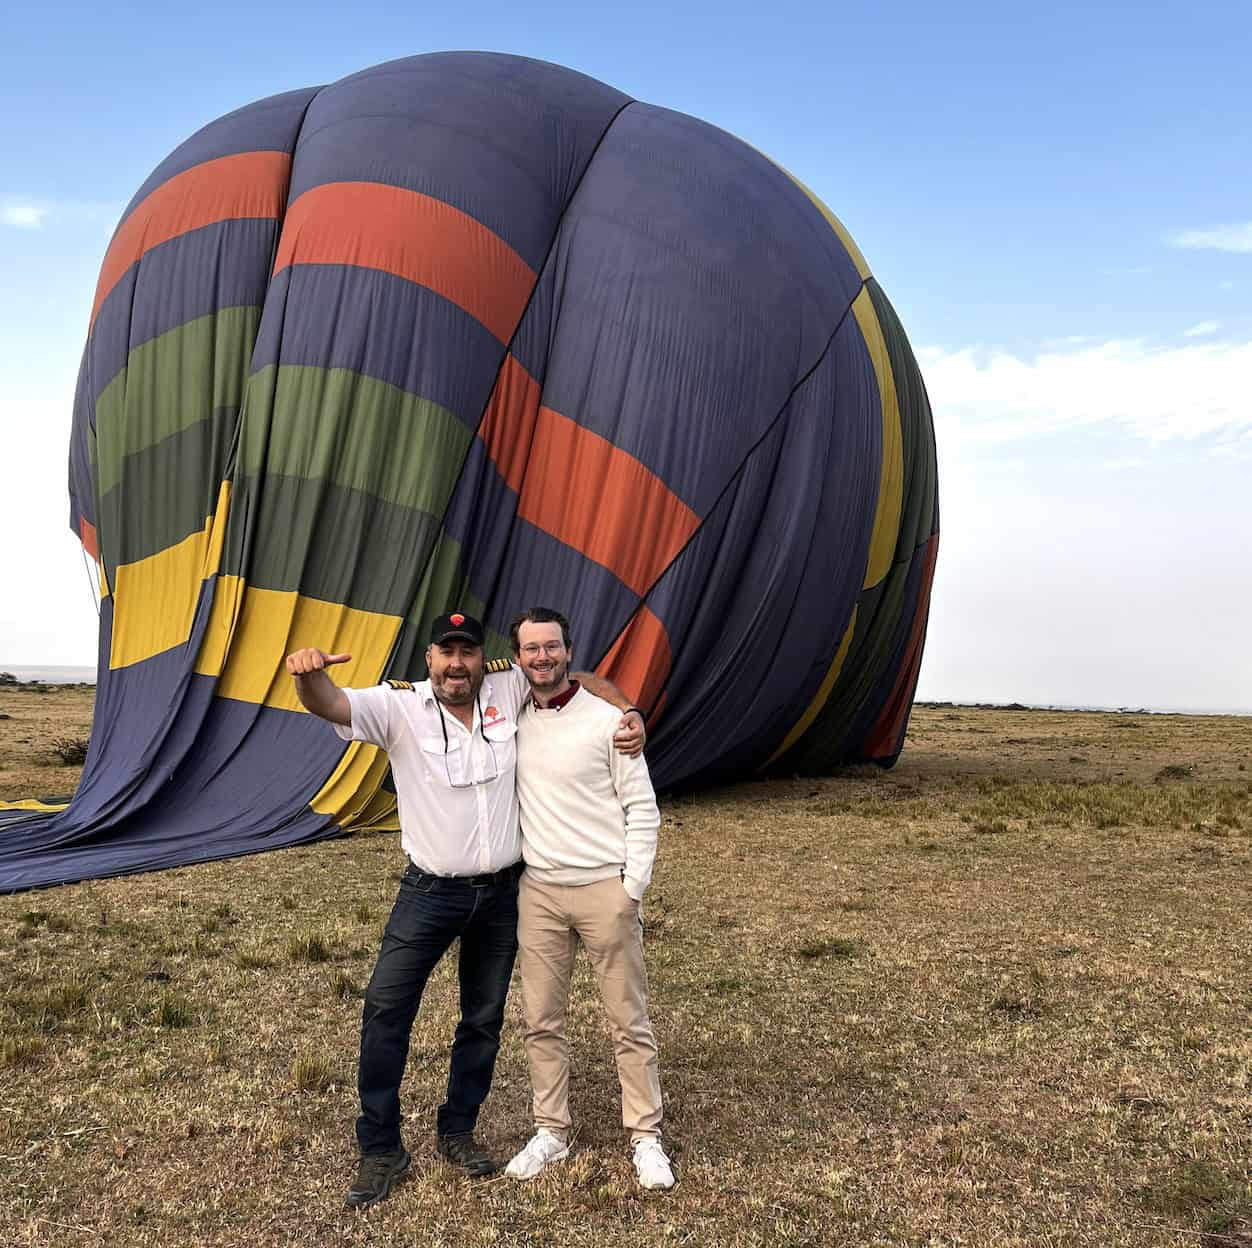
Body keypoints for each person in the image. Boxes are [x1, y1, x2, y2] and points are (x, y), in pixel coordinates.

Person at [285, 611, 645, 1209]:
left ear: (484, 658)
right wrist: (306, 676)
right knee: (386, 1008)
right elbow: (332, 705)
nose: (458, 664)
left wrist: (629, 713)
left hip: (504, 893)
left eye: (468, 652)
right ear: (429, 658)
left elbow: (582, 680)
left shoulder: (507, 687)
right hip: (430, 891)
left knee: (482, 1017)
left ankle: (458, 1130)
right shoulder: (399, 706)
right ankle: (380, 1146)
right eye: (446, 652)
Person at [503, 607, 675, 1191]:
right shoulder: (512, 717)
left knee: (628, 1020)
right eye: (531, 649)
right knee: (540, 1020)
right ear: (518, 657)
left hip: (605, 889)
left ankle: (645, 1137)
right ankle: (551, 1129)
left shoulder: (608, 721)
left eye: (551, 647)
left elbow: (642, 808)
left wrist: (631, 890)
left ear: (568, 651)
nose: (542, 657)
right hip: (541, 892)